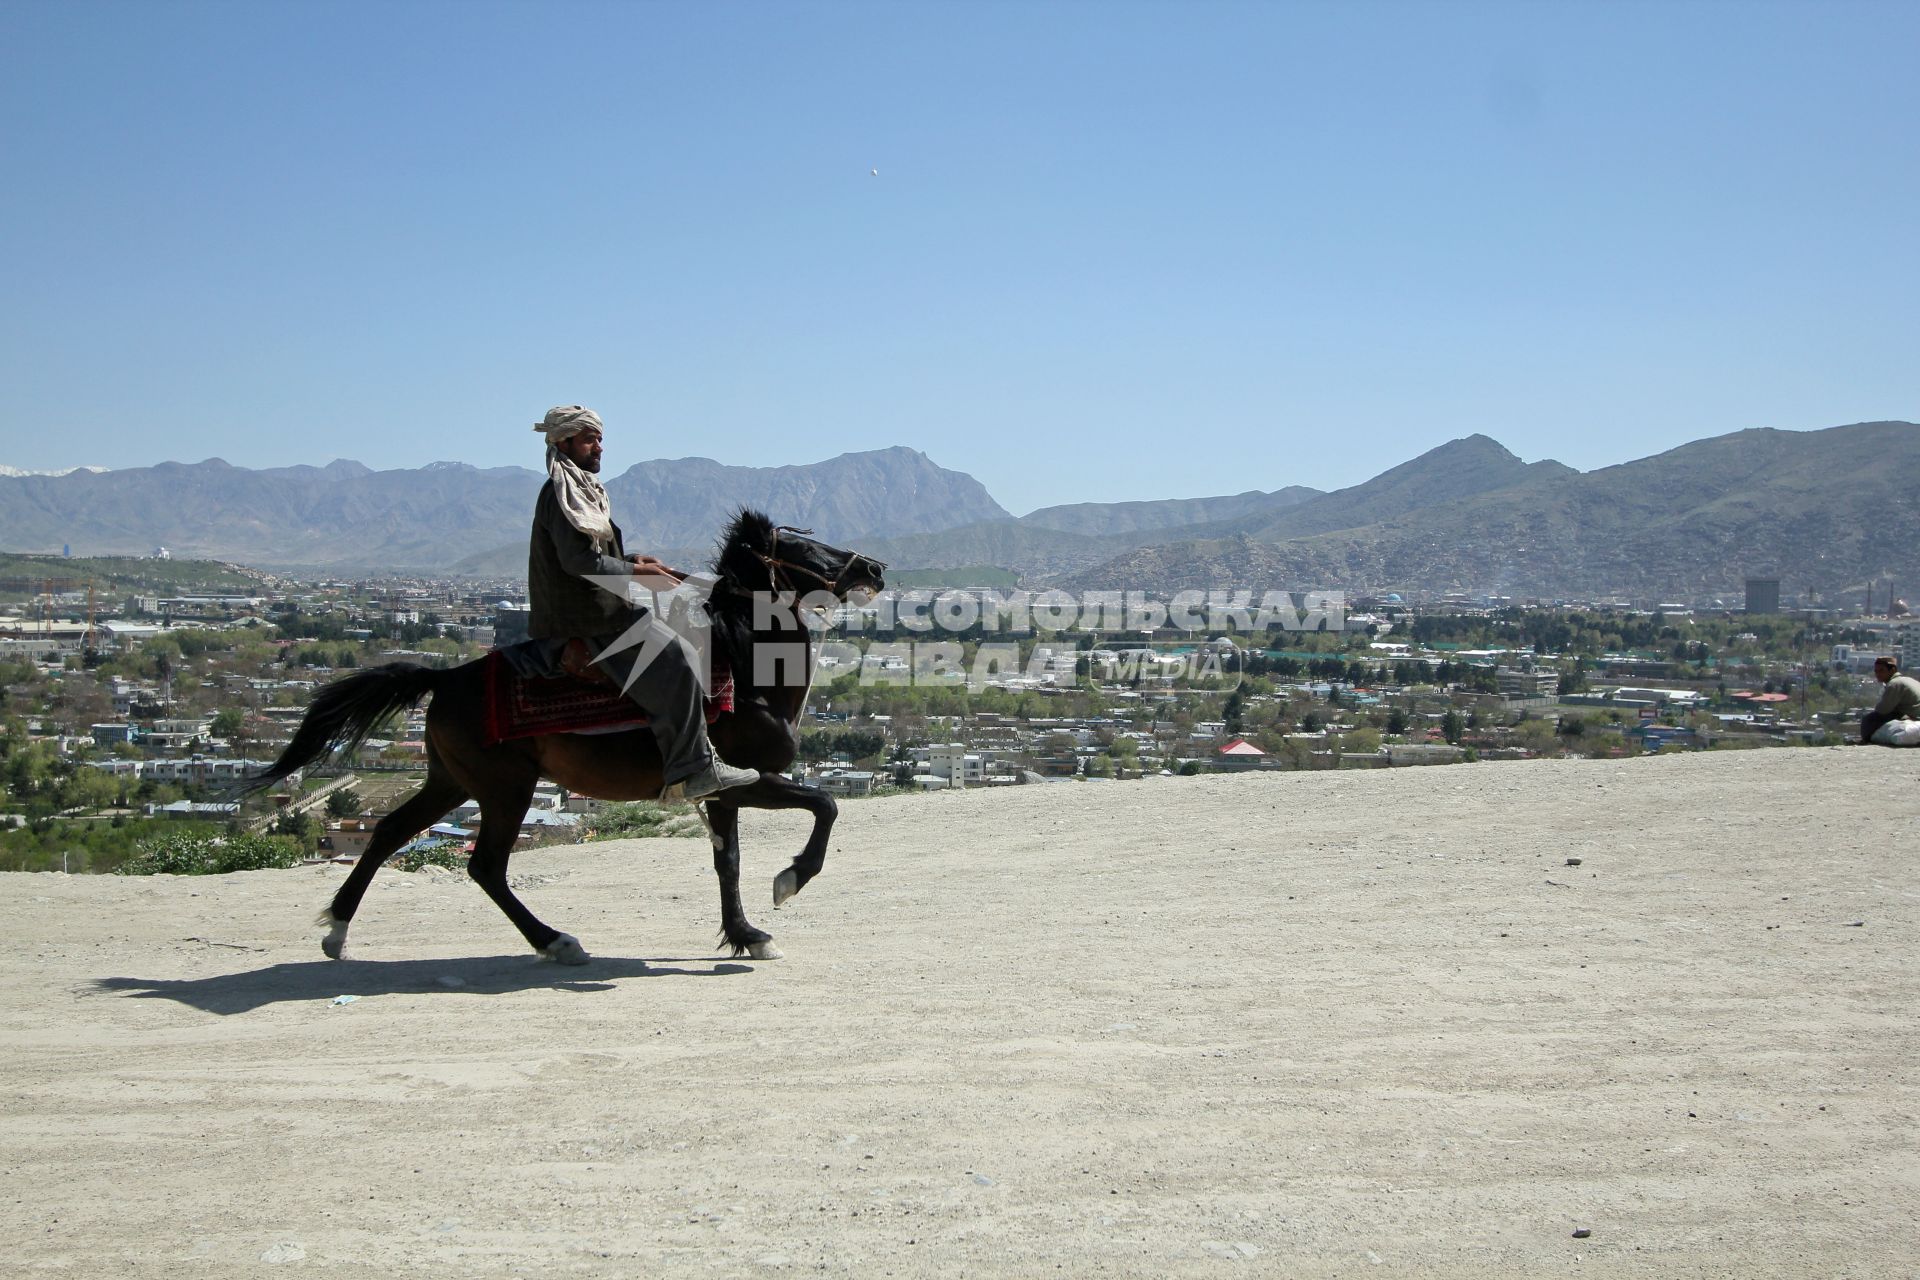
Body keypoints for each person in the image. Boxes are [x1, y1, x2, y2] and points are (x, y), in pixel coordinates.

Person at [528, 404, 760, 798]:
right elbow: (577, 560)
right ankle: (694, 769)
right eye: (589, 439)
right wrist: (638, 576)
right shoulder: (560, 493)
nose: (599, 446)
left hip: (603, 609)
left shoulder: (580, 489)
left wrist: (633, 561)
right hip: (585, 619)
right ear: (563, 442)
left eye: (600, 438)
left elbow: (595, 553)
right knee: (680, 660)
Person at [1860, 655, 1920, 745]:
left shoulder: (1894, 684)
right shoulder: (1908, 679)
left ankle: (1867, 740)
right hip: (1913, 714)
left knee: (1869, 719)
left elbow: (1883, 710)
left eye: (1881, 671)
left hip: (1914, 716)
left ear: (1892, 670)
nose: (1878, 674)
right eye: (1876, 671)